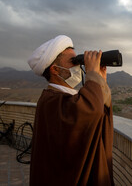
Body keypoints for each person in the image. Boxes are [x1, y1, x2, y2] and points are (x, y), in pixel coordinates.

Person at [27, 35, 114, 186]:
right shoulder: (52, 101)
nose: (78, 66)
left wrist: (100, 81)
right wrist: (92, 74)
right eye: (73, 62)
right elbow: (89, 110)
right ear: (55, 70)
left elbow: (96, 112)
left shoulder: (62, 98)